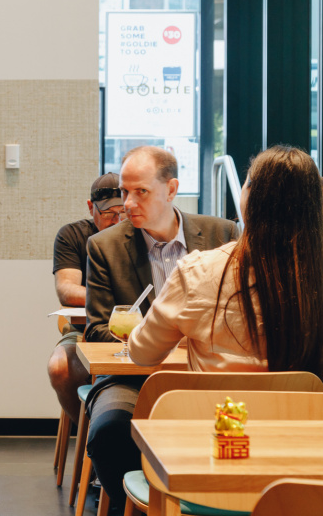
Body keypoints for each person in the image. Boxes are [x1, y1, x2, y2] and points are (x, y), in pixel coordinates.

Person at [83, 146, 237, 508]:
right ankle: (135, 507)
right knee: (108, 431)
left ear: (171, 189)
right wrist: (163, 336)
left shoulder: (221, 234)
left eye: (141, 192)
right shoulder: (104, 246)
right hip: (133, 376)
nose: (128, 203)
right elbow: (98, 329)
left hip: (210, 374)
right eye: (125, 191)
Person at [129, 146, 323, 384]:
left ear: (249, 198)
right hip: (299, 409)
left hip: (218, 408)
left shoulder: (196, 273)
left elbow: (142, 353)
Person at [47, 172, 124, 422]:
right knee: (60, 367)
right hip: (85, 329)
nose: (117, 220)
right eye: (109, 213)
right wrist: (118, 300)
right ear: (92, 208)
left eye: (123, 212)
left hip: (136, 329)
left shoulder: (140, 234)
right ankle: (90, 432)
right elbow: (67, 290)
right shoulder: (74, 235)